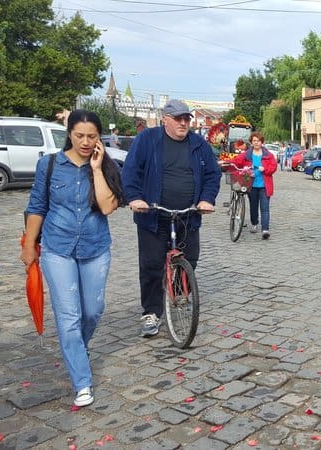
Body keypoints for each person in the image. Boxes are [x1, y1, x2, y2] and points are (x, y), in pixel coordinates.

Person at [21, 110, 124, 407]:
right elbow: (37, 206)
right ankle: (82, 381)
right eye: (79, 135)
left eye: (92, 136)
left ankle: (78, 348)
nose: (85, 142)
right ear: (69, 134)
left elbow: (107, 207)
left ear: (100, 138)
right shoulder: (49, 164)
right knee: (68, 317)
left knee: (92, 311)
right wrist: (30, 245)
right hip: (58, 248)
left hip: (95, 248)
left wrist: (96, 169)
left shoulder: (108, 166)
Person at [122, 99, 221, 338]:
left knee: (191, 259)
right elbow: (131, 170)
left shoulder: (198, 144)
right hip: (153, 215)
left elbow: (212, 173)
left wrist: (206, 199)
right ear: (165, 119)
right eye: (178, 119)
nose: (183, 123)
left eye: (186, 118)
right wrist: (135, 198)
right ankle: (151, 312)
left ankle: (175, 292)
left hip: (188, 214)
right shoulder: (147, 140)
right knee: (151, 265)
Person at [221, 131, 277, 238]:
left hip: (264, 186)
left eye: (258, 141)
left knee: (265, 208)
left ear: (262, 142)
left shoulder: (268, 155)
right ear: (251, 142)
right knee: (253, 206)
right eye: (254, 141)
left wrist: (265, 169)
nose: (256, 143)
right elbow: (237, 161)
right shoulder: (247, 154)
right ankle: (254, 223)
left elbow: (273, 167)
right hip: (250, 185)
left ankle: (265, 229)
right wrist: (225, 162)